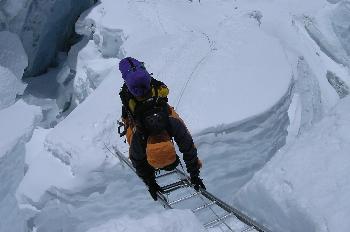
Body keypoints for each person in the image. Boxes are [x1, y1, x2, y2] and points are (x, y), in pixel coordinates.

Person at [118, 57, 206, 200]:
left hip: (151, 109)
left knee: (135, 134)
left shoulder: (143, 139)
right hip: (141, 112)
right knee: (131, 133)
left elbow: (139, 162)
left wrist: (150, 182)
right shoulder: (168, 126)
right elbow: (188, 148)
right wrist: (194, 174)